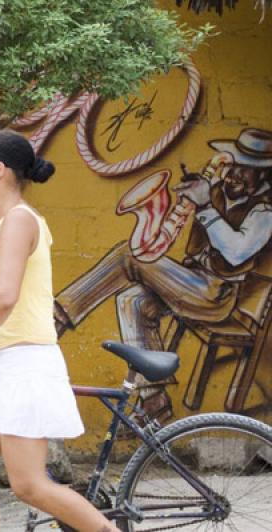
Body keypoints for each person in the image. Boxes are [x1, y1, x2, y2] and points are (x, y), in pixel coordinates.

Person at [0, 130, 118, 532]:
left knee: (28, 484)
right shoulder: (2, 224)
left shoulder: (21, 221)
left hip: (25, 363)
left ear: (0, 170)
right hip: (0, 363)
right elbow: (7, 297)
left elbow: (5, 298)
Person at [54, 127, 272, 418]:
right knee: (132, 301)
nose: (233, 173)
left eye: (246, 170)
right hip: (191, 282)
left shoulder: (264, 213)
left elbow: (235, 253)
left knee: (129, 255)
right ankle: (155, 402)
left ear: (263, 175)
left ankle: (58, 317)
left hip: (215, 296)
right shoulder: (219, 191)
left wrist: (205, 205)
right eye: (233, 164)